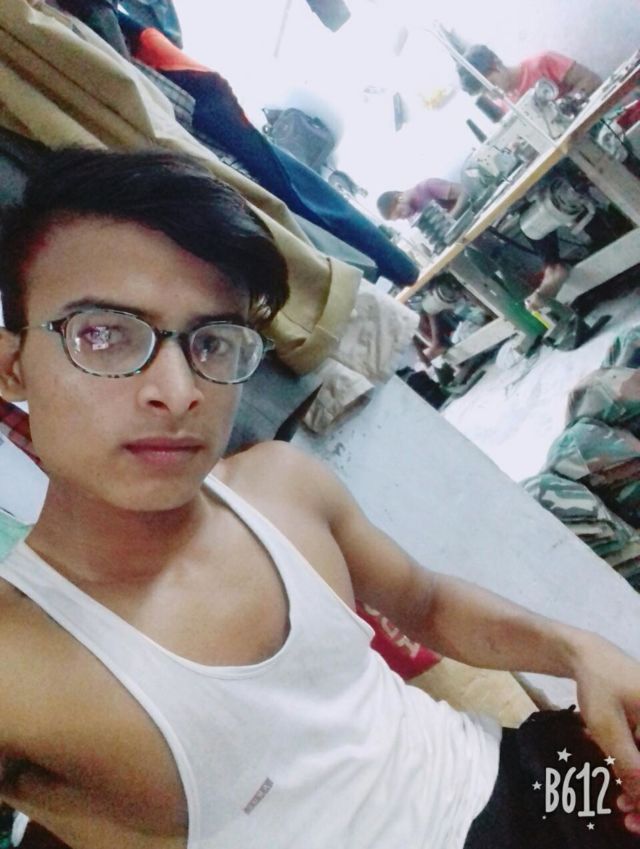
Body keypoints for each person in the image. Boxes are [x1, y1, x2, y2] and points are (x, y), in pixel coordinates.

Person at [0, 148, 638, 849]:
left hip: (531, 784)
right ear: (12, 367)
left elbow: (425, 602)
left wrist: (577, 649)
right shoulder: (17, 663)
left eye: (213, 342)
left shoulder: (280, 487)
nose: (179, 392)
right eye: (103, 335)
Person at [457, 45, 603, 308]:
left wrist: (562, 108)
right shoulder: (506, 104)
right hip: (559, 161)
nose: (493, 93)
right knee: (528, 202)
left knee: (563, 186)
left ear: (496, 63)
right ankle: (554, 266)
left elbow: (591, 80)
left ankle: (598, 246)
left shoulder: (542, 63)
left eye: (491, 85)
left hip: (587, 137)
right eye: (486, 92)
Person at [377, 178, 462, 221]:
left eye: (400, 212)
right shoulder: (416, 213)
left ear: (399, 198)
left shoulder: (428, 186)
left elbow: (465, 191)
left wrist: (449, 218)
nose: (404, 217)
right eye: (400, 218)